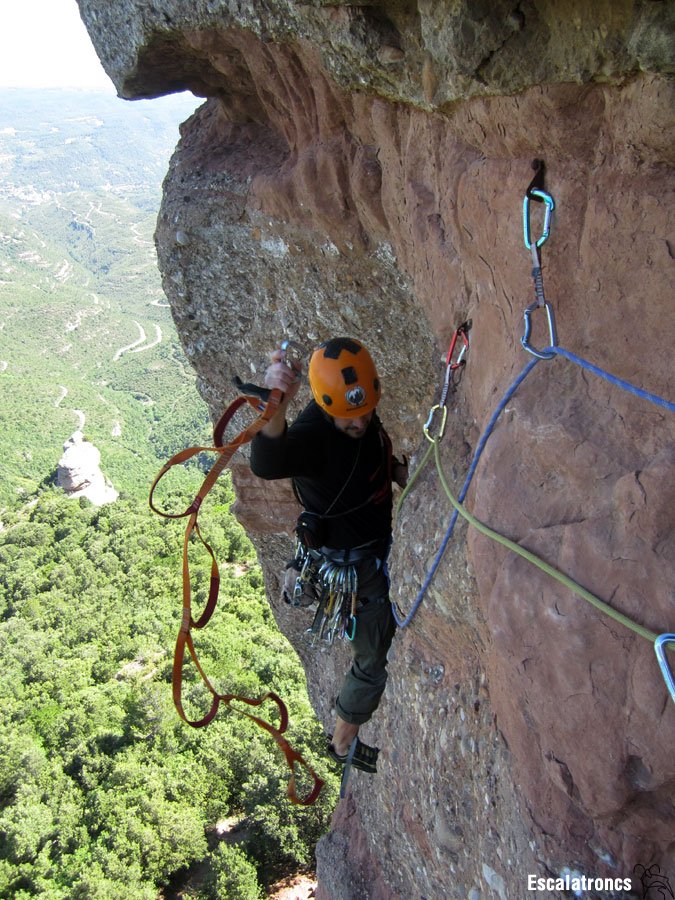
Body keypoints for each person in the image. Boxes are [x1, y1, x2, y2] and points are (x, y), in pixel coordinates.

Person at [250, 337, 407, 773]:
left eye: (365, 412)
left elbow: (368, 452)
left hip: (372, 542)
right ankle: (341, 744)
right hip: (354, 567)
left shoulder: (359, 410)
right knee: (373, 657)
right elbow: (266, 462)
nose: (359, 421)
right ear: (324, 404)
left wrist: (396, 472)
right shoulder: (313, 434)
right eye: (348, 416)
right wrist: (277, 404)